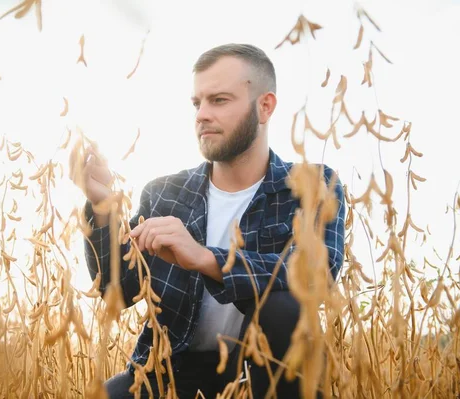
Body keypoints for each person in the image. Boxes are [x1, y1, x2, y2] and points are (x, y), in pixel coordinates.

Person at [72, 43, 346, 398]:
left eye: (219, 100)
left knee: (284, 307)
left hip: (263, 369)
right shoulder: (164, 194)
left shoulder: (314, 185)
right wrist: (102, 205)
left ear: (264, 107)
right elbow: (115, 292)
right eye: (196, 103)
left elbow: (315, 275)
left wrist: (206, 258)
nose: (202, 114)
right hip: (172, 370)